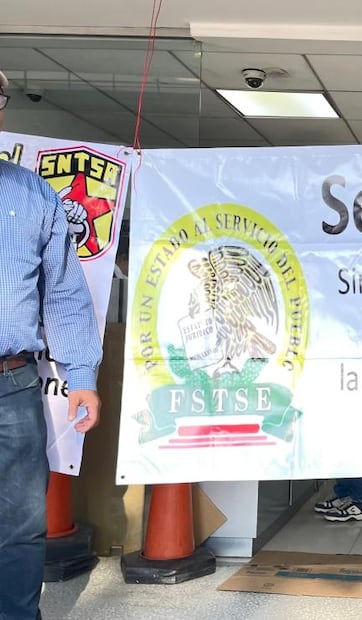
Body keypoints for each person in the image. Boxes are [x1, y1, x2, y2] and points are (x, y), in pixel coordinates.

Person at [0, 69, 104, 619]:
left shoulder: (32, 193)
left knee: (19, 526)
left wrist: (82, 376)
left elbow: (63, 292)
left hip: (11, 385)